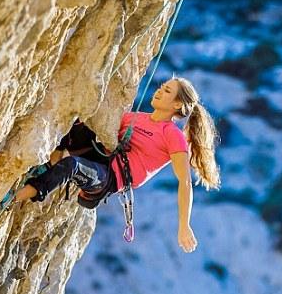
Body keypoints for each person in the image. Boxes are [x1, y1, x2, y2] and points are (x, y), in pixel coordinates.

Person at [12, 76, 220, 253]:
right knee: (77, 123)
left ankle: (15, 197)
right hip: (102, 156)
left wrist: (184, 225)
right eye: (161, 86)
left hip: (111, 177)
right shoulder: (134, 118)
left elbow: (184, 181)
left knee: (72, 165)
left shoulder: (172, 135)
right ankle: (51, 162)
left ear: (177, 105)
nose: (159, 90)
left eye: (167, 91)